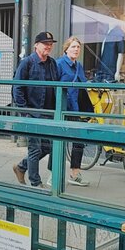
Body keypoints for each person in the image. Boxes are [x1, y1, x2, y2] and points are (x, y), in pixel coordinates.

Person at [12, 31, 60, 188]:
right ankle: (36, 183)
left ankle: (21, 167)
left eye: (50, 44)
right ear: (36, 45)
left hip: (48, 113)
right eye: (45, 43)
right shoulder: (27, 63)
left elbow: (57, 85)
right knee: (35, 148)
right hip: (33, 113)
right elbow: (17, 87)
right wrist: (24, 111)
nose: (48, 46)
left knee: (47, 147)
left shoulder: (52, 63)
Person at [56, 35, 90, 187]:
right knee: (58, 141)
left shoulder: (79, 66)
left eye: (78, 47)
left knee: (78, 141)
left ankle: (74, 174)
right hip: (63, 108)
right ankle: (53, 175)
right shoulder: (59, 64)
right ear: (66, 49)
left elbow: (83, 83)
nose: (76, 49)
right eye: (73, 47)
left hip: (75, 108)